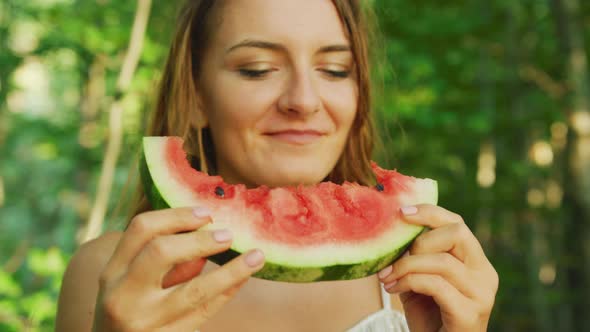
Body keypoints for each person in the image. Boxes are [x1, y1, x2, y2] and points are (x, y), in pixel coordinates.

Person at [56, 0, 499, 331]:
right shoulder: (110, 275)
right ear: (195, 96)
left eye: (335, 69)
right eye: (257, 69)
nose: (304, 101)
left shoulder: (417, 283)